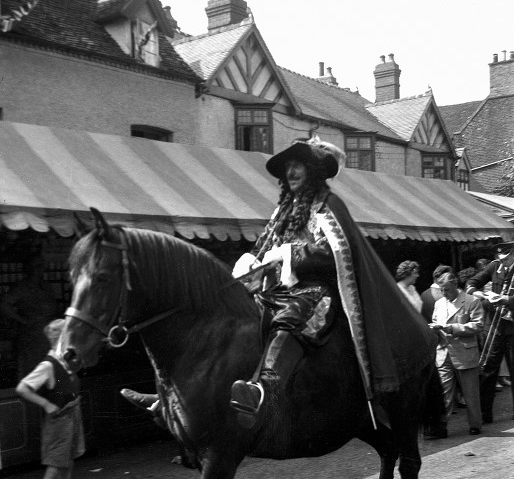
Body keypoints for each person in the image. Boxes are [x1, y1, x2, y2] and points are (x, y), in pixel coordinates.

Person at [123, 137, 436, 433]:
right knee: (235, 319)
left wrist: (290, 254)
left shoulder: (329, 205)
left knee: (291, 316)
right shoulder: (282, 211)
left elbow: (336, 254)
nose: (292, 172)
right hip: (278, 289)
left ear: (314, 170)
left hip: (318, 292)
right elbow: (264, 245)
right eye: (288, 168)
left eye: (298, 165)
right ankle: (174, 399)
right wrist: (251, 260)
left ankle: (263, 390)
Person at [16, 319, 92, 479]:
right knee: (53, 470)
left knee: (67, 465)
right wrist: (46, 404)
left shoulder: (67, 361)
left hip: (72, 416)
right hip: (58, 421)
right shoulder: (48, 365)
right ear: (59, 337)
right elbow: (23, 388)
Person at [466, 241, 514, 423]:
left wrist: (506, 299)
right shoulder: (495, 266)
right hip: (494, 326)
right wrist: (478, 294)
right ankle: (485, 413)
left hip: (512, 327)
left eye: (506, 258)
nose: (503, 262)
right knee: (487, 369)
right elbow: (472, 282)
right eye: (500, 259)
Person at [431, 272, 484, 435]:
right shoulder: (439, 303)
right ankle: (440, 426)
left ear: (455, 284)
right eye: (441, 290)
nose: (444, 293)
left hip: (464, 353)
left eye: (446, 289)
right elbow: (435, 320)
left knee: (470, 393)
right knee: (443, 392)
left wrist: (453, 328)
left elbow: (478, 325)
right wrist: (434, 328)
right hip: (444, 353)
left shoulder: (471, 301)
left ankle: (475, 425)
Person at [0, 254, 57, 381]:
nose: (40, 269)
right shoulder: (23, 287)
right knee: (30, 374)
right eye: (37, 265)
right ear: (30, 268)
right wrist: (22, 320)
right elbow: (4, 304)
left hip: (48, 338)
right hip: (31, 338)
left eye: (42, 265)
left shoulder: (46, 286)